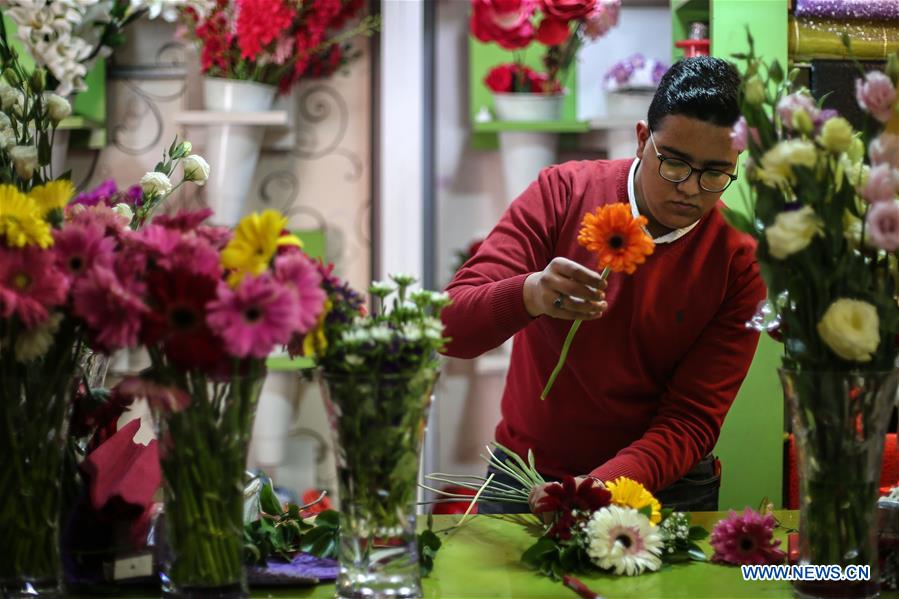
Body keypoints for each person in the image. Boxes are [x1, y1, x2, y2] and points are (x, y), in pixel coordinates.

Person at [440, 56, 766, 513]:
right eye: (674, 163)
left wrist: (595, 490)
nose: (690, 188)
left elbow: (691, 420)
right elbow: (449, 326)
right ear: (640, 140)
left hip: (660, 488)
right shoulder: (563, 193)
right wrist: (529, 294)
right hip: (527, 473)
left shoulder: (738, 261)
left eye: (714, 173)